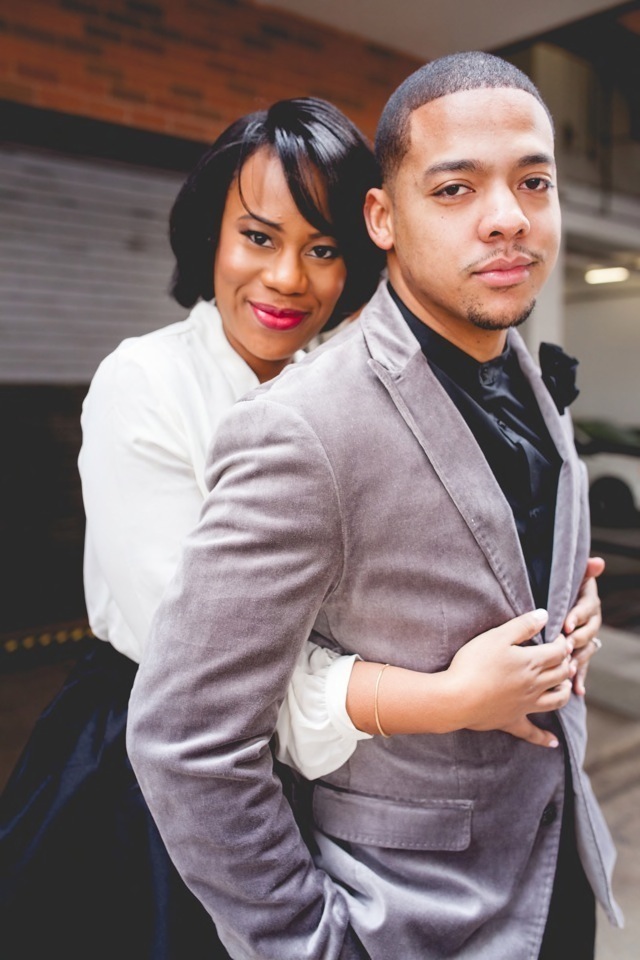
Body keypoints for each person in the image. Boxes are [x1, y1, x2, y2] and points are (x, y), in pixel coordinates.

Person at [0, 95, 600, 960]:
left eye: (322, 249)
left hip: (341, 793)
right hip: (156, 772)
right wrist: (442, 698)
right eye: (258, 237)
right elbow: (198, 666)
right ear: (209, 237)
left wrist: (555, 614)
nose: (287, 278)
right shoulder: (146, 381)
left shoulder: (348, 386)